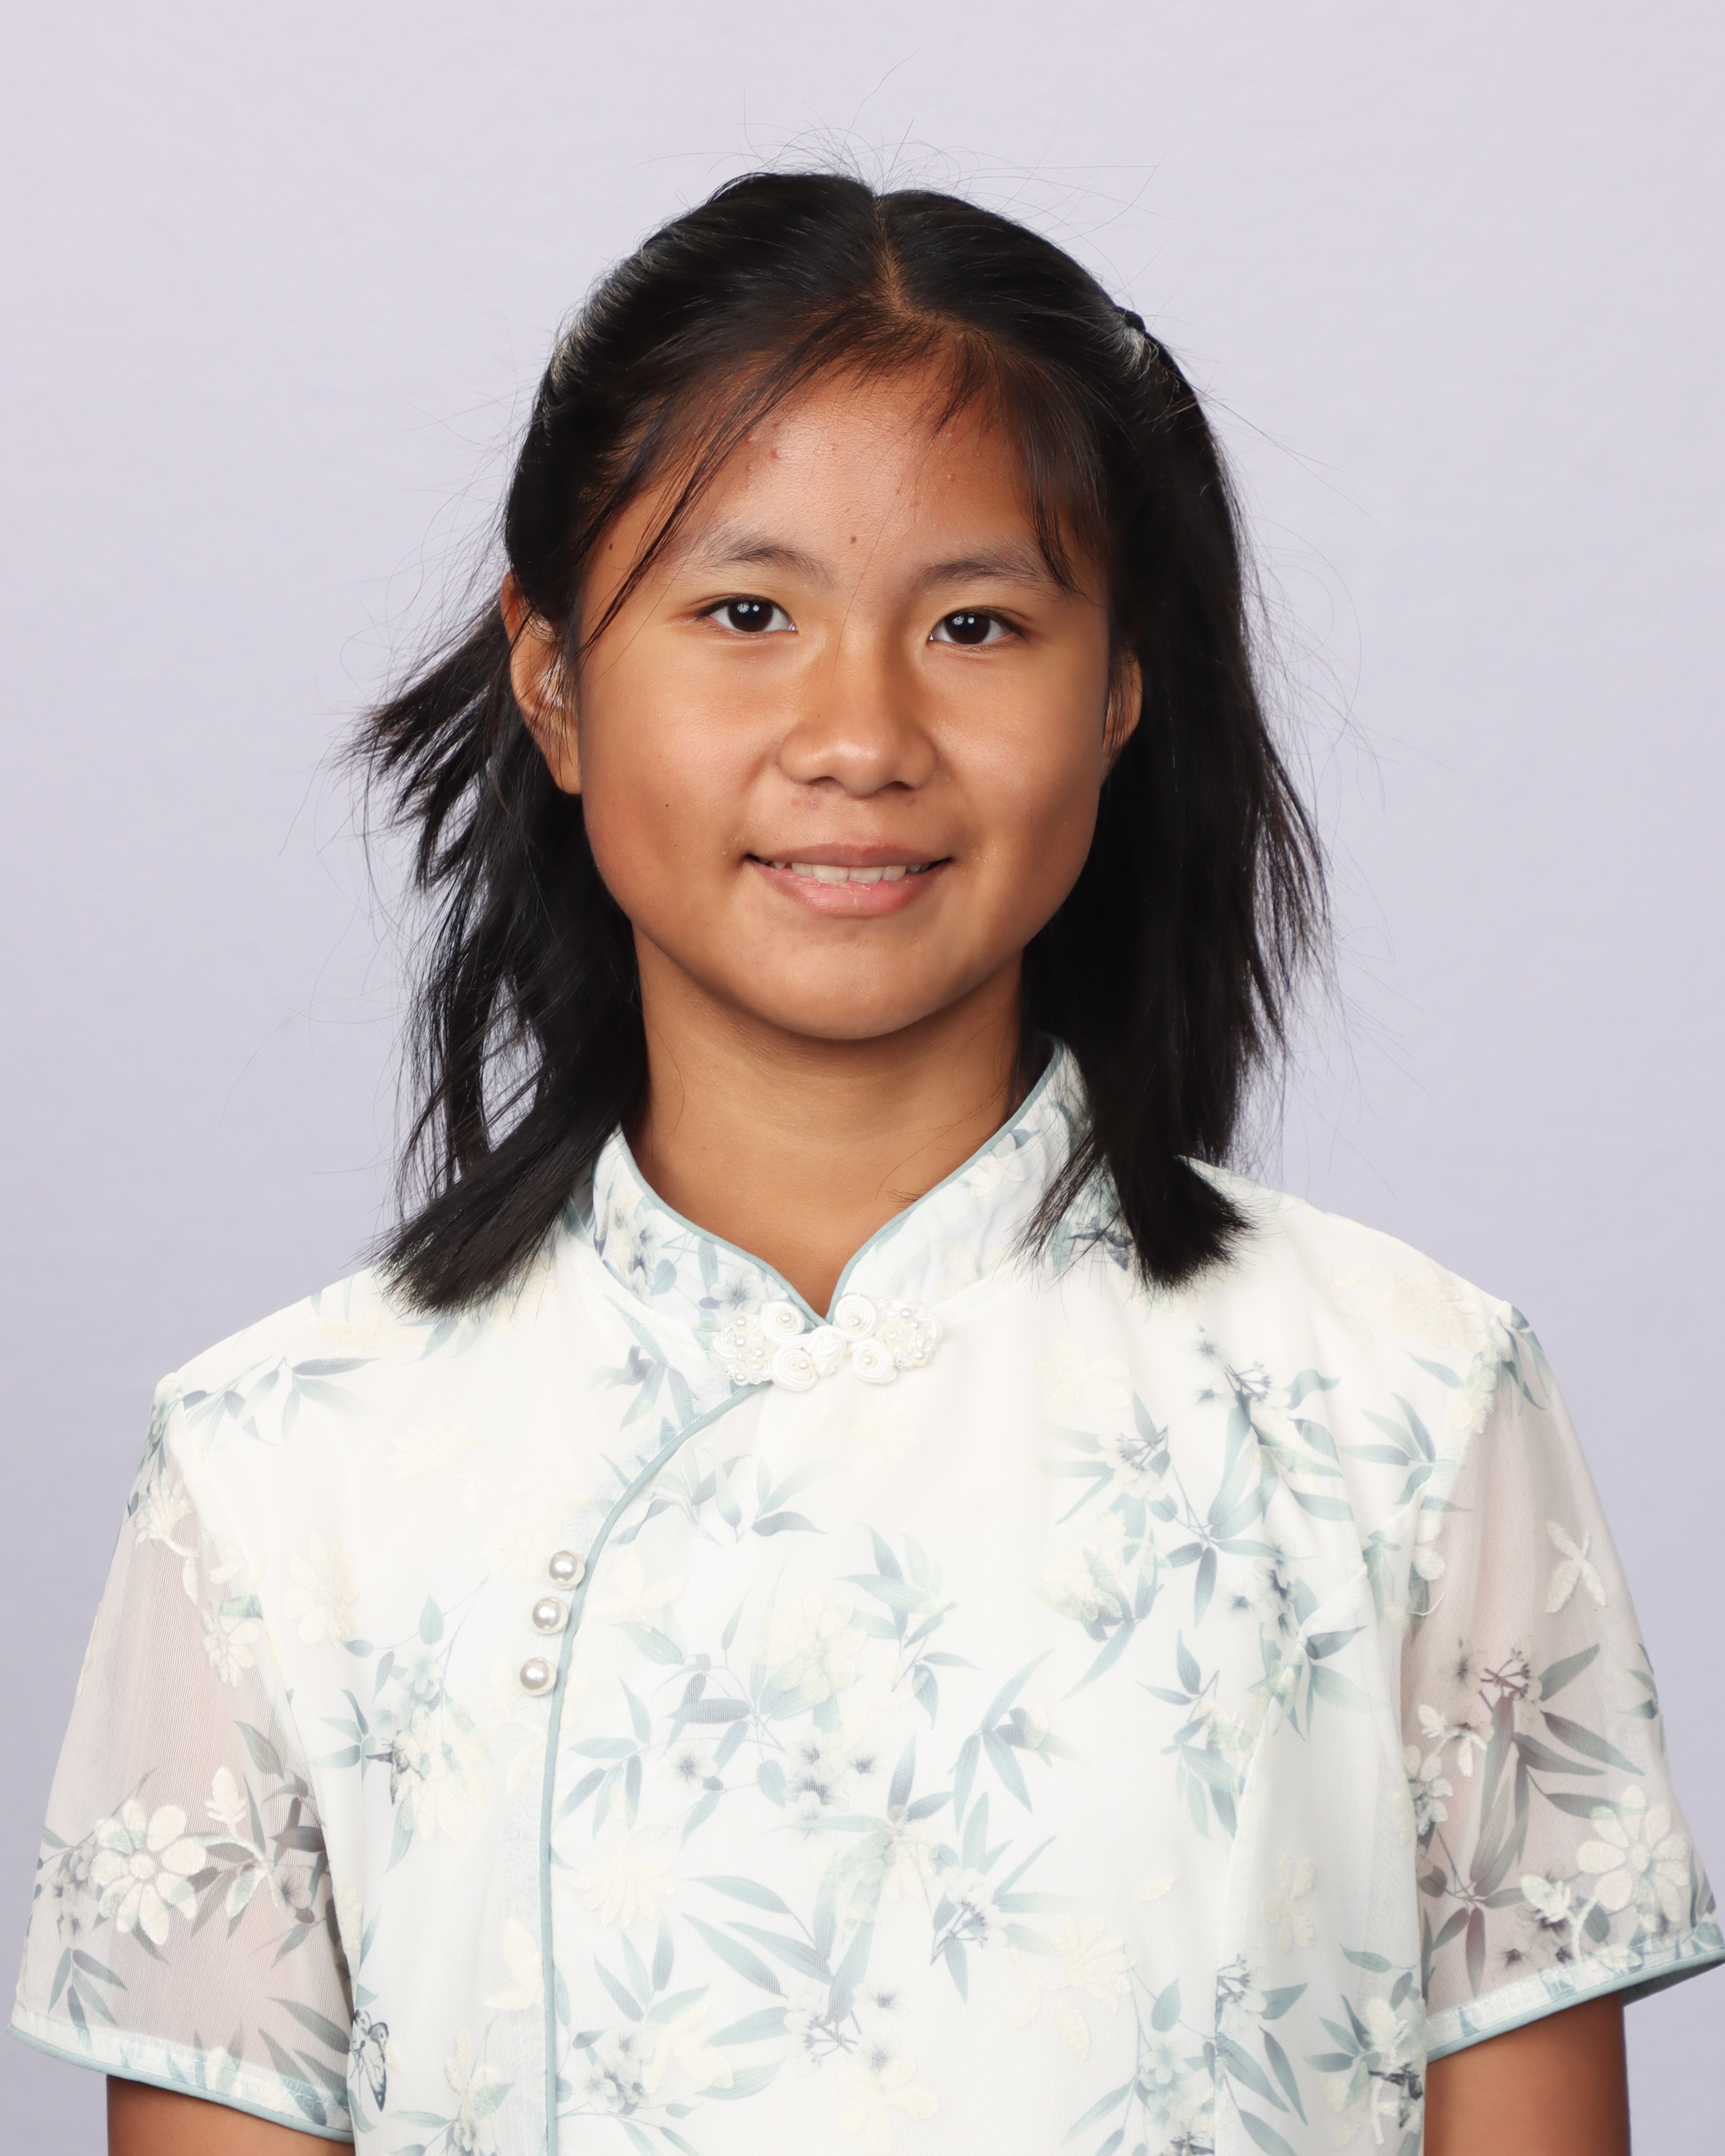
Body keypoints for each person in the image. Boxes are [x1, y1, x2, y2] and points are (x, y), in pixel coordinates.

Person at [13, 171, 1718, 2156]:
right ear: (554, 681)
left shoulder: (1409, 1408)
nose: (860, 734)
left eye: (977, 624)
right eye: (747, 614)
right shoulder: (277, 1468)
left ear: (1121, 688)